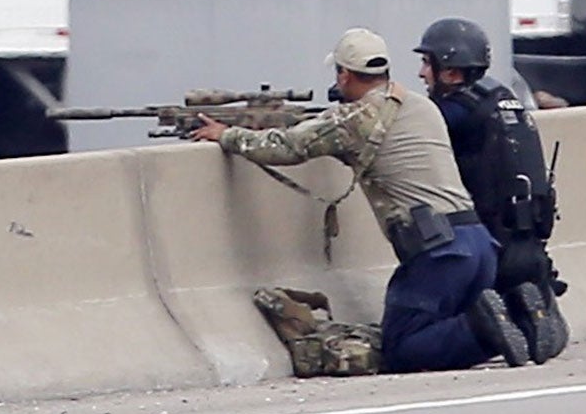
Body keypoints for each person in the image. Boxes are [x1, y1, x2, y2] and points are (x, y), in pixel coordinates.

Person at [189, 27, 530, 372]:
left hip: (437, 252)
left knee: (403, 348)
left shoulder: (355, 118)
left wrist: (226, 134)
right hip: (478, 244)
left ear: (345, 74)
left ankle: (485, 332)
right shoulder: (420, 106)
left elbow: (287, 147)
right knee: (438, 331)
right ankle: (522, 315)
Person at [415, 17, 571, 365]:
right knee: (518, 300)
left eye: (428, 63)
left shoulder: (455, 111)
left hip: (489, 249)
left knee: (423, 321)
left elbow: (408, 132)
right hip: (530, 245)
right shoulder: (504, 98)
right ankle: (535, 308)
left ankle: (492, 323)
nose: (422, 73)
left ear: (452, 72)